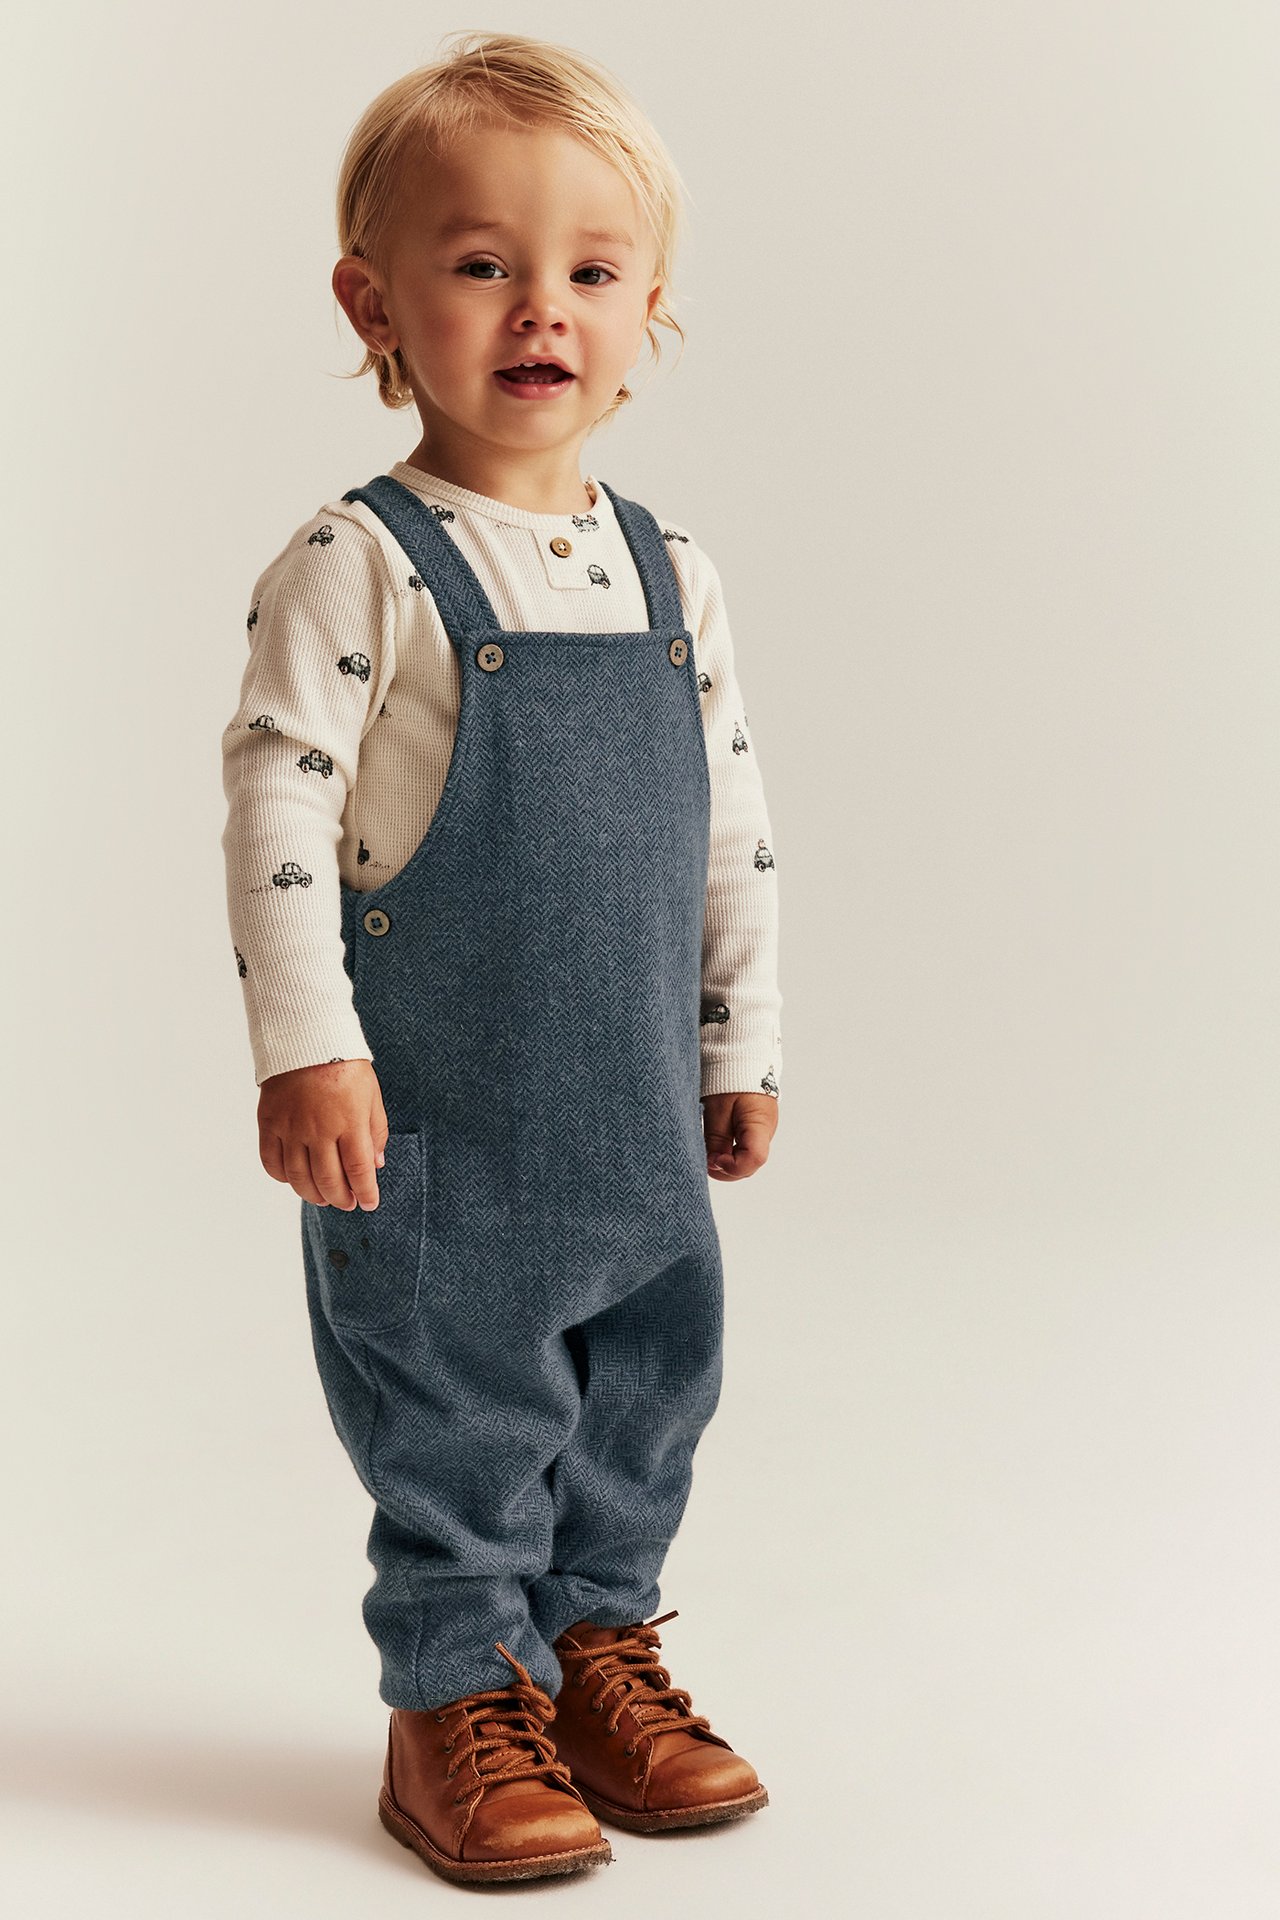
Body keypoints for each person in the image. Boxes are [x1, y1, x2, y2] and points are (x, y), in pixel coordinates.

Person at [220, 31, 784, 1888]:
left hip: (628, 1115)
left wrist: (736, 1043)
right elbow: (281, 809)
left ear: (649, 315)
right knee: (461, 1406)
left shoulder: (668, 567)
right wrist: (310, 1045)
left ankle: (598, 1646)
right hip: (440, 1128)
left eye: (591, 273)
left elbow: (726, 824)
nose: (541, 309)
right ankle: (454, 1691)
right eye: (481, 265)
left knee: (648, 1383)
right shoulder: (359, 563)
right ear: (372, 303)